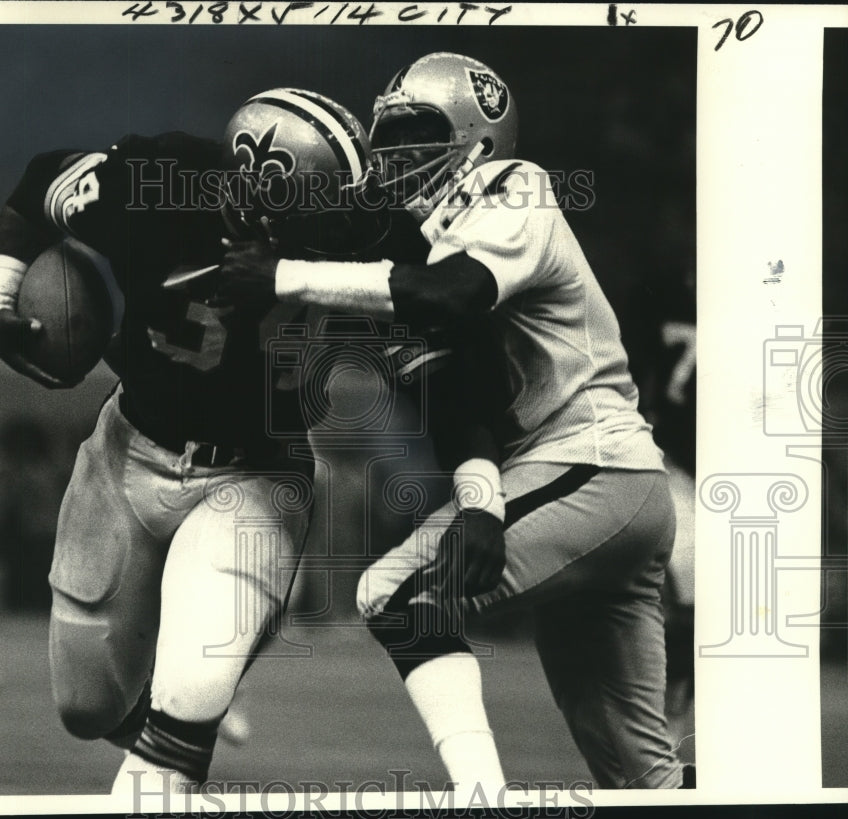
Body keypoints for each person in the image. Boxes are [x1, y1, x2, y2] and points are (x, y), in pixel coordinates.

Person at [220, 53, 692, 791]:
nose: (393, 152)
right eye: (386, 133)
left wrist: (281, 275)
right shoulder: (424, 242)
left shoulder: (516, 185)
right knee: (643, 778)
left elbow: (450, 294)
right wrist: (481, 500)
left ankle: (482, 795)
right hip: (587, 484)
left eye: (414, 132)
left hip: (594, 466)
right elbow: (464, 400)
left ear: (478, 140)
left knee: (393, 594)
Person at [0, 88, 382, 792]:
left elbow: (452, 292)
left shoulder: (371, 235)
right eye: (325, 203)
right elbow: (43, 180)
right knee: (87, 706)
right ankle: (180, 730)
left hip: (254, 476)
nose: (344, 222)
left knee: (188, 698)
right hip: (127, 452)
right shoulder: (153, 187)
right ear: (261, 195)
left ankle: (190, 710)